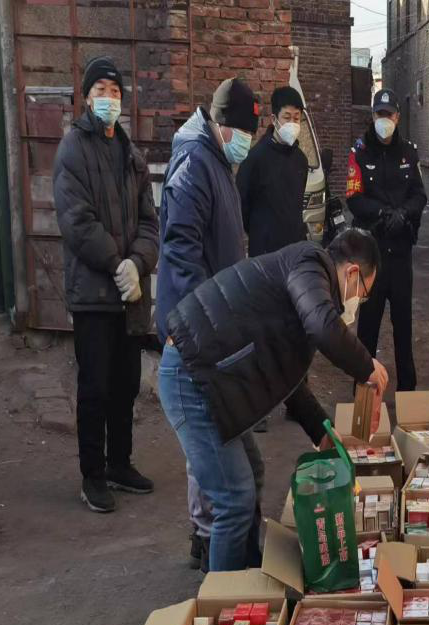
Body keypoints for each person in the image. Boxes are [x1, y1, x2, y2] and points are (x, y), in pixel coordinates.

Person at [164, 231, 389, 570]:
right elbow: (322, 327)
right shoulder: (310, 264)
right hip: (193, 375)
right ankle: (223, 592)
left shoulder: (310, 287)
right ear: (353, 272)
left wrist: (321, 432)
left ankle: (250, 574)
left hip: (216, 378)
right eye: (364, 295)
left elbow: (288, 379)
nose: (357, 304)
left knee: (251, 473)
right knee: (233, 500)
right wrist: (366, 366)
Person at [154, 77, 264, 571]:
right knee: (230, 489)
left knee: (244, 470)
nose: (248, 142)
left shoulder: (219, 164)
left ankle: (239, 568)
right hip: (197, 338)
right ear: (223, 125)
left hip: (215, 330)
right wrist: (204, 323)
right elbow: (182, 250)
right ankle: (218, 577)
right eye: (245, 132)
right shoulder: (195, 164)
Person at [52, 55, 159, 513]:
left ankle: (119, 463)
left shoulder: (131, 155)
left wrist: (138, 262)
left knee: (126, 384)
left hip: (129, 294)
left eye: (115, 92)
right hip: (94, 293)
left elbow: (150, 222)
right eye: (101, 91)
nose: (109, 99)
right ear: (86, 97)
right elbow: (76, 221)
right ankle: (92, 474)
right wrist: (117, 264)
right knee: (95, 387)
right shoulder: (73, 149)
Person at [347, 89, 427, 392]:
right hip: (372, 256)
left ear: (398, 117)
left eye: (389, 114)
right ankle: (363, 397)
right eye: (379, 114)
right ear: (373, 116)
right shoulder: (359, 152)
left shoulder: (409, 152)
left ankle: (408, 396)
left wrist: (404, 214)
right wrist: (381, 213)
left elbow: (419, 194)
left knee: (403, 329)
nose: (385, 120)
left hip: (400, 254)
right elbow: (354, 197)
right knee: (367, 330)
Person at [236, 85, 310, 256]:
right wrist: (261, 233)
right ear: (274, 119)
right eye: (287, 117)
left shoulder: (301, 160)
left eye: (296, 118)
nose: (292, 124)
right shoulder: (255, 158)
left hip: (294, 251)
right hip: (264, 252)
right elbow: (241, 207)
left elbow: (297, 206)